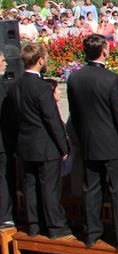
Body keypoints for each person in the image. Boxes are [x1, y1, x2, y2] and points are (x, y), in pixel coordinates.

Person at [66, 34, 118, 249]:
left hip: (89, 142)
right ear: (104, 51)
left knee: (91, 188)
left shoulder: (75, 78)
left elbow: (75, 114)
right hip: (112, 144)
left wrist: (82, 139)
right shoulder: (111, 78)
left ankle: (92, 233)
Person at [9, 43, 72, 238]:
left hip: (25, 145)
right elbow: (51, 119)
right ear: (40, 60)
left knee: (30, 186)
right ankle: (55, 226)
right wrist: (64, 147)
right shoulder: (41, 87)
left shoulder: (15, 85)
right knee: (49, 187)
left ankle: (34, 225)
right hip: (45, 146)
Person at [0, 51, 16, 228]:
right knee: (4, 178)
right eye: (3, 61)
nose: (6, 64)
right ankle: (5, 216)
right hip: (3, 142)